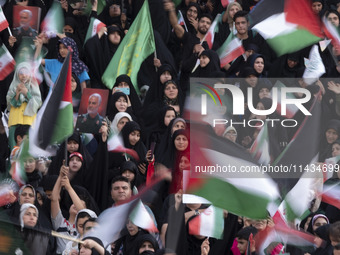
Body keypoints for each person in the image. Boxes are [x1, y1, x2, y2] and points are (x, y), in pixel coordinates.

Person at [6, 62, 42, 150]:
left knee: (29, 151)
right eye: (21, 73)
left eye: (27, 73)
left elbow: (38, 103)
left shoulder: (34, 86)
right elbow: (9, 106)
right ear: (17, 74)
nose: (24, 75)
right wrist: (17, 94)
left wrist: (27, 94)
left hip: (30, 122)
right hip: (15, 121)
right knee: (14, 151)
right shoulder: (13, 87)